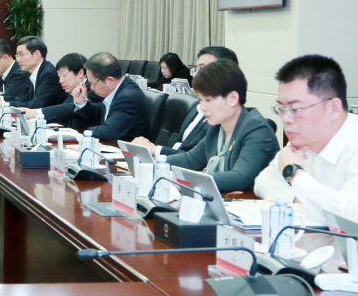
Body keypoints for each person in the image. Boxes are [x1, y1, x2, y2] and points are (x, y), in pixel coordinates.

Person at [143, 61, 278, 192]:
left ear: (233, 98)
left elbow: (239, 177)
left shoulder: (257, 130)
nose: (203, 107)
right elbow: (191, 159)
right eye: (200, 100)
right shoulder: (217, 126)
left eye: (208, 100)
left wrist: (185, 180)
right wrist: (155, 164)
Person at [254, 55, 358, 222]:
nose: (286, 119)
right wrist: (301, 198)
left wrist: (294, 173)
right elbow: (263, 182)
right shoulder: (303, 140)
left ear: (333, 109)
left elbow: (349, 214)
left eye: (295, 109)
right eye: (281, 108)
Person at [155, 46, 242, 155]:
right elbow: (181, 147)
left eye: (202, 68)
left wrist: (155, 150)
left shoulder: (224, 118)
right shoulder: (196, 108)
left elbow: (195, 159)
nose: (194, 75)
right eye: (196, 69)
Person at [70, 52, 151, 143]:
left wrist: (84, 133)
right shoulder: (118, 90)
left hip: (126, 150)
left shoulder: (128, 97)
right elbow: (99, 112)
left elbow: (109, 132)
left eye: (93, 83)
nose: (91, 88)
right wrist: (82, 102)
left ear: (110, 80)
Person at [28, 53, 99, 131]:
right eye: (59, 76)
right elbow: (62, 113)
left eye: (64, 75)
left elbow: (70, 109)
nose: (60, 81)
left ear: (80, 73)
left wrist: (36, 113)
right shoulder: (73, 90)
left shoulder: (92, 90)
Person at [7, 36, 67, 108]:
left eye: (21, 54)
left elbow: (37, 105)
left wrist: (5, 105)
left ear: (36, 54)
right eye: (17, 56)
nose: (18, 60)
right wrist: (1, 100)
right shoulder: (38, 72)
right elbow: (26, 98)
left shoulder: (48, 74)